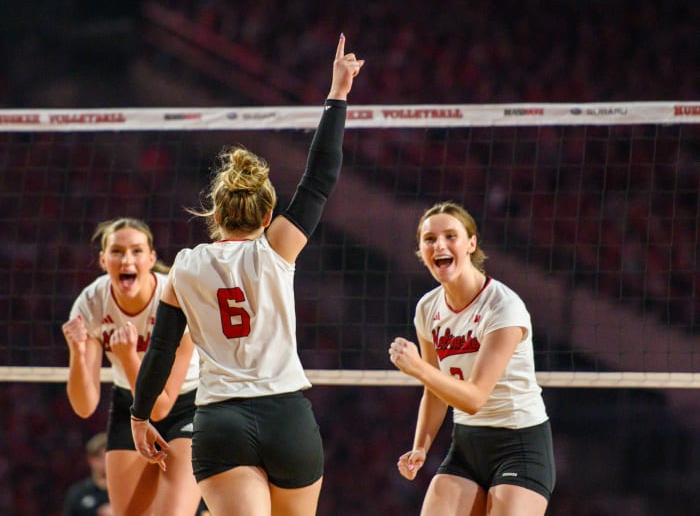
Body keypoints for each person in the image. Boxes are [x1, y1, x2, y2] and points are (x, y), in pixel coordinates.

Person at [128, 34, 363, 516]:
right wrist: (337, 93)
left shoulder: (185, 265)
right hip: (286, 418)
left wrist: (138, 414)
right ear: (268, 211)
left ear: (215, 211)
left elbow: (162, 348)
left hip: (220, 422)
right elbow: (319, 178)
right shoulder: (278, 247)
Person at [388, 201, 556, 516]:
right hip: (467, 444)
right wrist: (421, 447)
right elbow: (435, 391)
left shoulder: (503, 307)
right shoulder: (428, 308)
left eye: (451, 236)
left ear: (471, 244)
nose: (439, 245)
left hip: (519, 444)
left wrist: (419, 368)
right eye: (429, 239)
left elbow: (475, 398)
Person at [62, 218, 202, 516]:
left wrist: (127, 357)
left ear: (151, 258)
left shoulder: (176, 299)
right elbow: (85, 405)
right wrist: (77, 350)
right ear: (103, 259)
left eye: (137, 251)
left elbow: (160, 408)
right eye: (117, 251)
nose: (127, 259)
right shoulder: (92, 302)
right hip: (128, 403)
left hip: (185, 405)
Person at [63, 432, 112, 516]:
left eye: (109, 457)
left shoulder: (127, 491)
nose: (105, 462)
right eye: (100, 457)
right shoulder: (79, 493)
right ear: (90, 459)